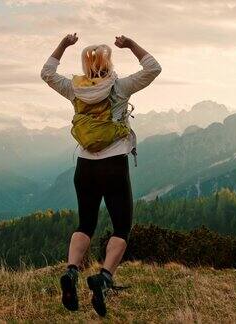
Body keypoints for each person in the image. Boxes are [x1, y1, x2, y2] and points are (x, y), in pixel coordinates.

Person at [40, 33, 162, 316]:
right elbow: (153, 68)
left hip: (85, 166)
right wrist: (132, 44)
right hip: (114, 166)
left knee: (85, 224)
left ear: (86, 67)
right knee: (121, 228)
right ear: (109, 64)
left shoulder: (74, 89)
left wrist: (63, 45)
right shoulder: (120, 87)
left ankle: (71, 272)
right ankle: (104, 278)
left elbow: (46, 73)